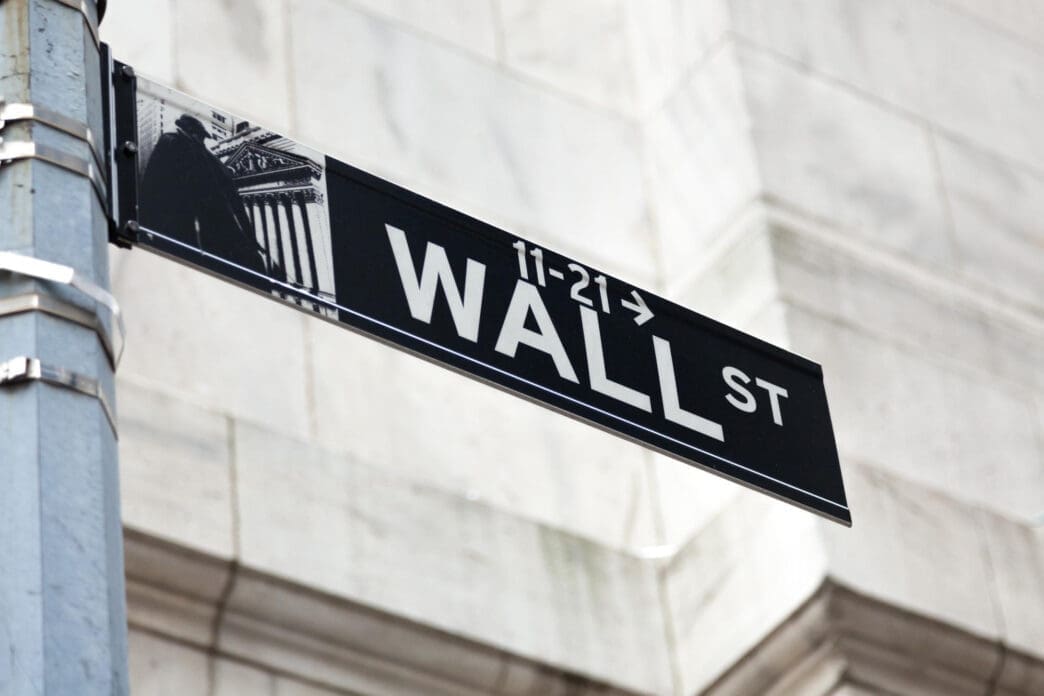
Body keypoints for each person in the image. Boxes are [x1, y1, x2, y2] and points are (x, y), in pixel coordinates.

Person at [139, 114, 267, 275]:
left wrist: (249, 236)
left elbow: (228, 196)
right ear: (191, 132)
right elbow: (153, 184)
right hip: (184, 229)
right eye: (200, 137)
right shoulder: (174, 143)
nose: (202, 141)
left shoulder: (202, 154)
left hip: (209, 230)